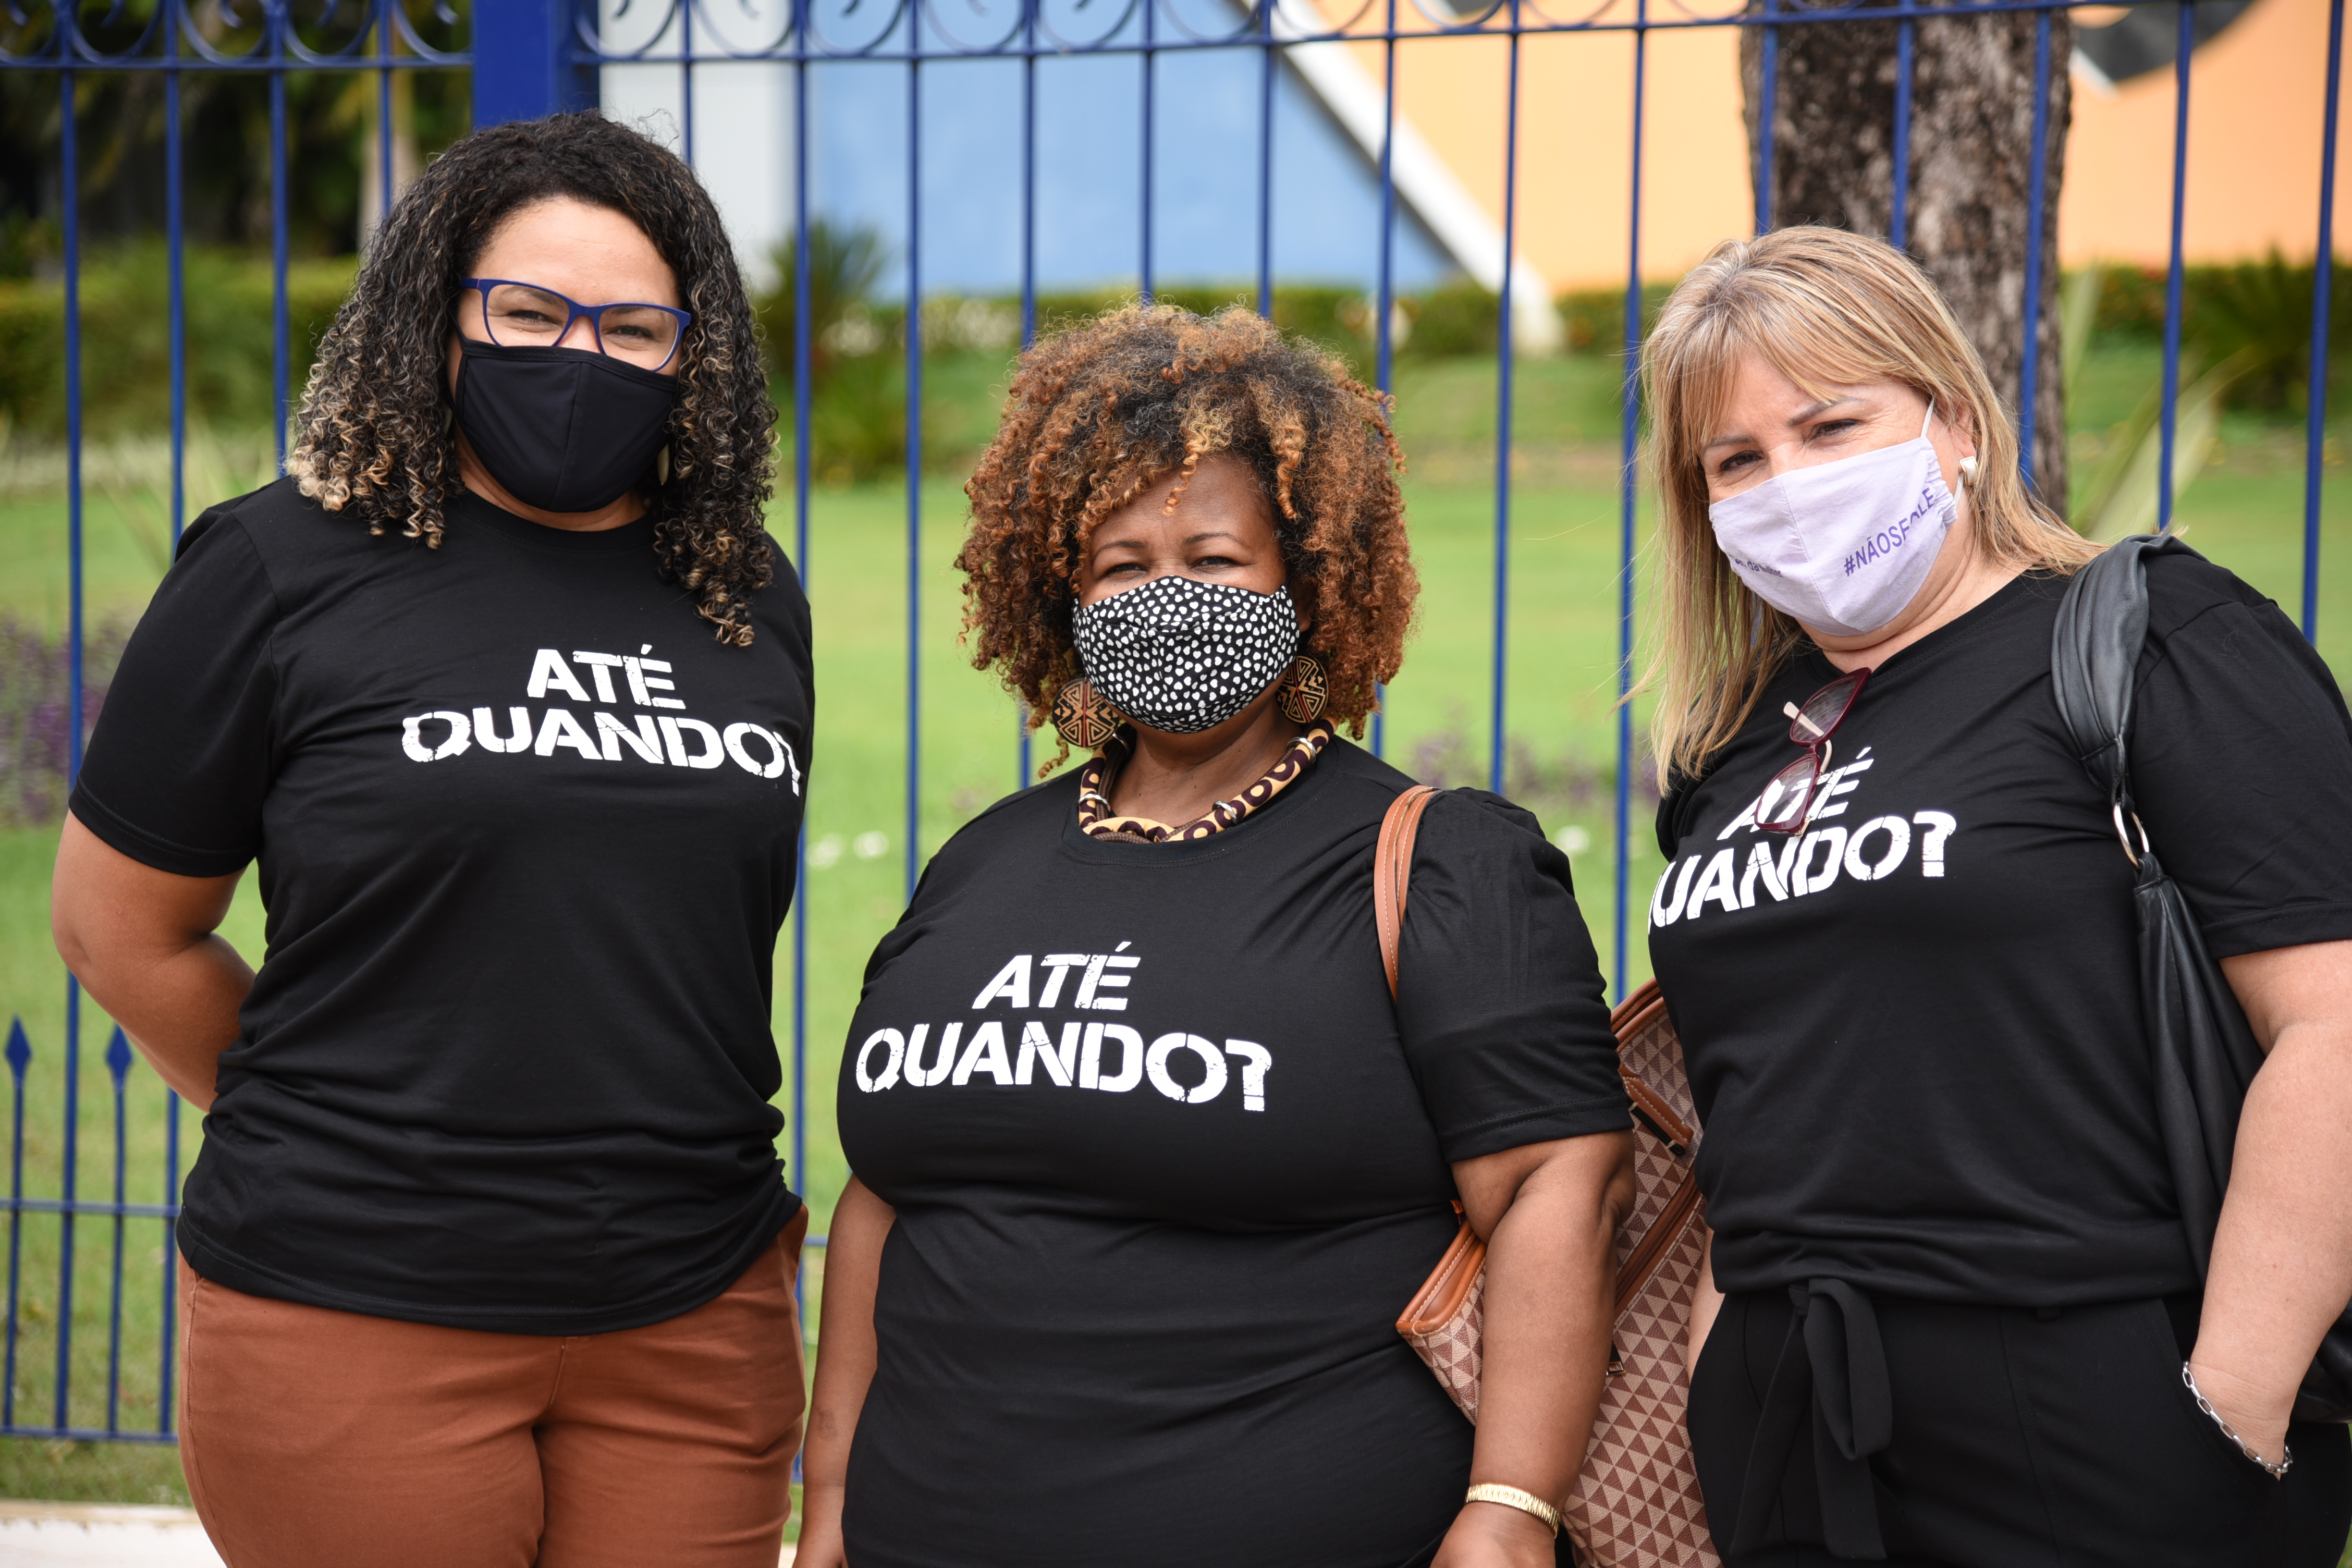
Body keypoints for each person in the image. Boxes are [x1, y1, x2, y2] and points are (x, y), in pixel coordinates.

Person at [47, 113, 812, 1568]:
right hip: (357, 1301)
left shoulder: (742, 590)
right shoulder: (281, 562)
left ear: (692, 356)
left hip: (691, 1317)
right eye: (527, 312)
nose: (579, 357)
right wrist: (338, 1119)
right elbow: (115, 927)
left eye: (633, 329)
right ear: (438, 318)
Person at [791, 303, 1635, 1568]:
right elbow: (882, 1204)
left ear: (1309, 582)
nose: (1167, 596)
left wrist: (1511, 1508)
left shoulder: (1439, 863)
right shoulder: (981, 864)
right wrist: (827, 1514)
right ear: (1064, 594)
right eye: (1122, 565)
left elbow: (1560, 1181)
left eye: (1216, 558)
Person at [1640, 224, 2352, 1566]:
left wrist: (2231, 1407)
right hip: (1792, 1423)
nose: (1788, 482)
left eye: (1831, 426)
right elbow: (1746, 1112)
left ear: (1955, 424)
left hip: (2095, 1401)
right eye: (1737, 461)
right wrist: (1719, 1385)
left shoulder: (2151, 640)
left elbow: (2334, 1025)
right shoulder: (1732, 750)